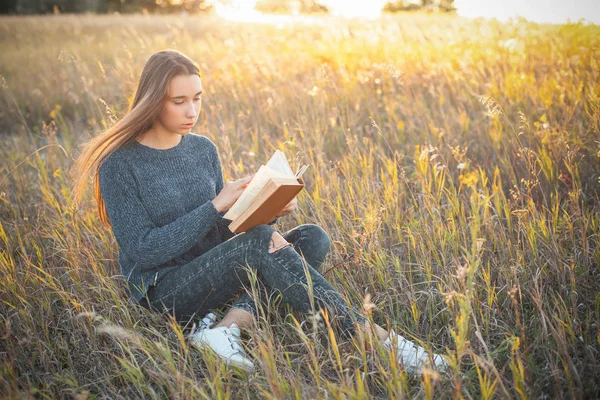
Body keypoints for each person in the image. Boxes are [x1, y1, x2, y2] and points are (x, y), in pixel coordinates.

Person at [71, 49, 448, 374]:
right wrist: (218, 203)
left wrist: (267, 211)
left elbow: (223, 232)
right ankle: (381, 343)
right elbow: (144, 249)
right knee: (264, 244)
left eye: (198, 98)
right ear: (153, 101)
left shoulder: (202, 149)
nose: (192, 111)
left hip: (215, 272)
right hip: (165, 290)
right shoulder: (120, 164)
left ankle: (224, 330)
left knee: (311, 236)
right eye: (179, 101)